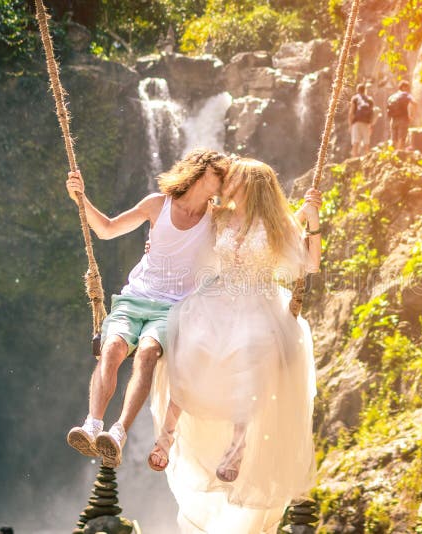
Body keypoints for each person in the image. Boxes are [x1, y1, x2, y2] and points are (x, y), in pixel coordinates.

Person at [148, 157, 322, 533]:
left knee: (251, 351)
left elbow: (309, 265)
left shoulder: (277, 224)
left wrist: (313, 219)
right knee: (189, 345)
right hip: (217, 298)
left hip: (259, 302)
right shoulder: (218, 218)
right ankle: (166, 436)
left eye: (235, 180)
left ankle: (237, 448)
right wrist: (159, 246)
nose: (227, 185)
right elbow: (187, 236)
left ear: (252, 186)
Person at [65, 149, 230, 468]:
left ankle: (117, 434)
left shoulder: (217, 218)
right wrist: (80, 199)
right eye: (218, 173)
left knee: (147, 354)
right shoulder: (158, 204)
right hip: (135, 296)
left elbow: (250, 233)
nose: (224, 180)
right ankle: (92, 424)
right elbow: (108, 229)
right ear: (199, 172)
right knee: (112, 348)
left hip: (172, 309)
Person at [348, 83, 376, 157]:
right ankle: (368, 161)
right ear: (365, 90)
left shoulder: (355, 98)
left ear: (357, 90)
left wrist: (350, 125)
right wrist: (371, 125)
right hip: (366, 123)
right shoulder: (370, 99)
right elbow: (372, 113)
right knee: (366, 143)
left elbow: (351, 112)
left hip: (356, 122)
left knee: (355, 143)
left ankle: (353, 161)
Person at [387, 80, 417, 150]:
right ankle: (399, 154)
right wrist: (412, 116)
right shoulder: (406, 95)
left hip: (393, 120)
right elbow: (415, 103)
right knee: (401, 138)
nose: (408, 90)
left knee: (394, 139)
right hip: (403, 119)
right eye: (407, 88)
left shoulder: (392, 96)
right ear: (404, 87)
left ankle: (392, 155)